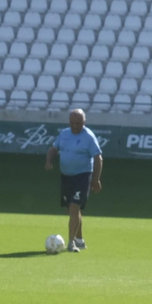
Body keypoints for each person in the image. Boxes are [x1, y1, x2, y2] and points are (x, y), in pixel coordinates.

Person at [43, 108, 103, 252]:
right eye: (72, 123)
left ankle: (71, 243)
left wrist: (96, 180)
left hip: (82, 176)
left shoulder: (88, 136)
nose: (75, 126)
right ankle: (80, 240)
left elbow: (98, 158)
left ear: (84, 122)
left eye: (78, 123)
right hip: (66, 176)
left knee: (75, 206)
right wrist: (49, 160)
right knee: (70, 209)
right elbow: (53, 148)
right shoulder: (64, 134)